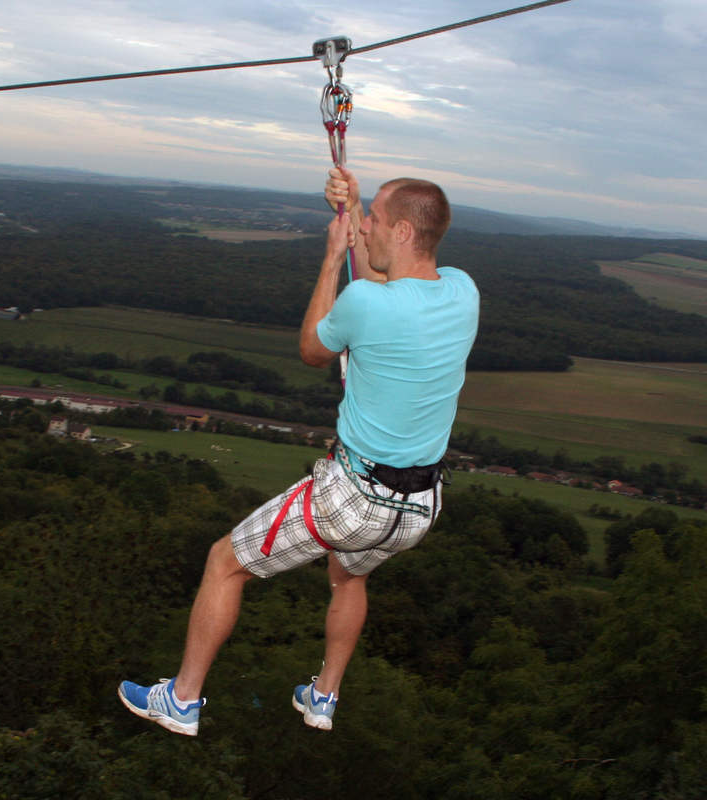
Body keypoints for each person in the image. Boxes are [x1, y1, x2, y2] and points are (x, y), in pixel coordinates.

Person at [118, 167, 479, 735]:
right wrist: (354, 205)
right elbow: (389, 289)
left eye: (374, 219)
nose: (366, 227)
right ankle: (323, 696)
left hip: (353, 500)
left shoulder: (364, 301)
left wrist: (332, 258)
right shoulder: (462, 291)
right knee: (348, 576)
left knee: (223, 563)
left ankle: (181, 700)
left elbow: (313, 349)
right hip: (417, 510)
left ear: (404, 232)